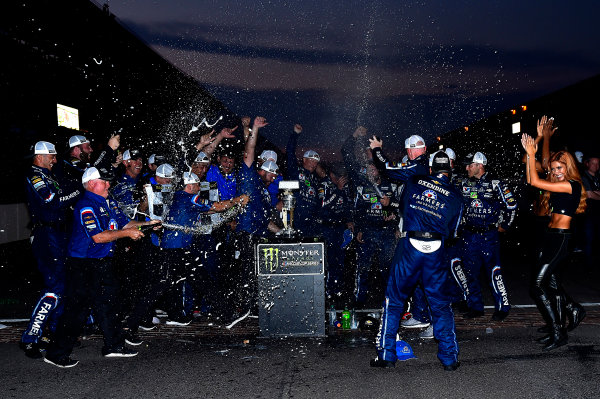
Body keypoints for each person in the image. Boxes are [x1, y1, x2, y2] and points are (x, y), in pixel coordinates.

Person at [44, 166, 158, 368]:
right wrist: (127, 235)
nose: (108, 184)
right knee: (76, 310)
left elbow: (124, 224)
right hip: (83, 264)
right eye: (103, 181)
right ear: (90, 184)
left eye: (108, 181)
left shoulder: (108, 202)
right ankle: (56, 353)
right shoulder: (86, 206)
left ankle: (114, 345)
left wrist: (146, 224)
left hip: (102, 262)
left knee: (110, 304)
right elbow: (98, 237)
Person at [370, 151, 463, 370]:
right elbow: (453, 232)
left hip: (410, 246)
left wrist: (378, 152)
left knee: (393, 301)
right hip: (436, 249)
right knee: (440, 305)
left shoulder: (415, 179)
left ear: (430, 169)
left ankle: (386, 355)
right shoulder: (457, 196)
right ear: (449, 170)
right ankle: (450, 359)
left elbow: (402, 206)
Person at [521, 128, 588, 351]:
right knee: (550, 284)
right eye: (554, 169)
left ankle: (559, 331)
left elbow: (535, 183)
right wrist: (535, 147)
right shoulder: (560, 181)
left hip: (561, 239)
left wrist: (532, 153)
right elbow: (532, 177)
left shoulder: (572, 185)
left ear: (568, 167)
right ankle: (560, 324)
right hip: (551, 236)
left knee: (538, 285)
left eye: (560, 168)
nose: (556, 172)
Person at [19, 141, 82, 358]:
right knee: (54, 287)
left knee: (64, 286)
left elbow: (65, 190)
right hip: (47, 235)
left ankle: (55, 333)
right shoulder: (35, 175)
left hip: (60, 234)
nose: (55, 160)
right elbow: (52, 201)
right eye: (52, 157)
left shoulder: (50, 175)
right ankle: (31, 337)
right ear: (40, 156)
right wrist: (78, 191)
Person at [459, 151, 516, 321]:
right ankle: (476, 307)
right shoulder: (464, 183)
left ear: (480, 165)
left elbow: (511, 205)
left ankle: (503, 307)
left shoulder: (495, 183)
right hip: (469, 235)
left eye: (470, 165)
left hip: (488, 236)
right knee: (470, 272)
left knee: (493, 272)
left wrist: (505, 226)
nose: (467, 168)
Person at [286, 123, 321, 237]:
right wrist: (295, 134)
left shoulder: (315, 180)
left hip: (311, 223)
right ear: (304, 160)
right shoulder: (295, 171)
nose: (314, 164)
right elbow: (290, 153)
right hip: (295, 219)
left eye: (316, 162)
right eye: (311, 160)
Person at [581, 154, 600, 270]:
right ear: (587, 164)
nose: (596, 166)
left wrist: (594, 193)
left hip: (597, 212)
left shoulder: (598, 177)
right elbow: (589, 194)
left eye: (597, 163)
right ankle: (588, 265)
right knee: (589, 238)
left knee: (596, 238)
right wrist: (594, 193)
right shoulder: (584, 177)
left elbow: (593, 193)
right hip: (588, 213)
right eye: (593, 163)